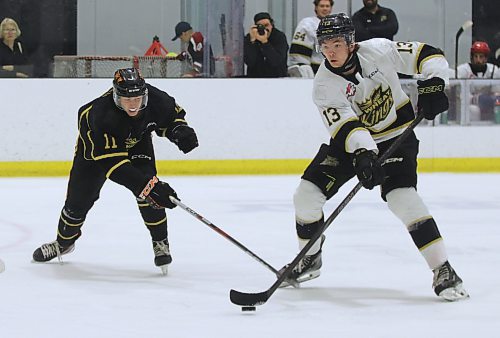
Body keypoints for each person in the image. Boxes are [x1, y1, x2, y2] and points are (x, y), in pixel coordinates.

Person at [279, 13, 469, 301]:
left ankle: (443, 269)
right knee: (306, 195)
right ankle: (310, 257)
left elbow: (427, 54)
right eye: (325, 45)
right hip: (351, 144)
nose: (330, 52)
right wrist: (364, 154)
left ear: (351, 43)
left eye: (336, 44)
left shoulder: (378, 50)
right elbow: (344, 125)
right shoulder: (323, 85)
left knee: (402, 198)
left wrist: (433, 84)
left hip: (397, 137)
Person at [32, 68, 199, 275]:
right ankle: (63, 243)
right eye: (127, 99)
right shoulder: (98, 115)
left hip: (138, 145)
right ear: (115, 95)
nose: (133, 104)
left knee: (149, 192)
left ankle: (160, 242)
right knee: (76, 205)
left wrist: (178, 130)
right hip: (93, 156)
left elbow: (172, 116)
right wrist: (148, 187)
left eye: (138, 98)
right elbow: (115, 167)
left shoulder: (156, 98)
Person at [288, 0, 334, 78]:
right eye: (322, 6)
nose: (325, 9)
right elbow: (299, 54)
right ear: (316, 7)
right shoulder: (307, 24)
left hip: (332, 73)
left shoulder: (336, 26)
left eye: (327, 6)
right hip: (314, 73)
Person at [244, 12, 289, 78]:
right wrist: (252, 42)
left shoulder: (279, 37)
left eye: (266, 25)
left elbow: (276, 61)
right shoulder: (251, 37)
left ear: (272, 25)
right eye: (260, 26)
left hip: (277, 78)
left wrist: (265, 42)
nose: (264, 29)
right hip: (255, 78)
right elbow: (250, 62)